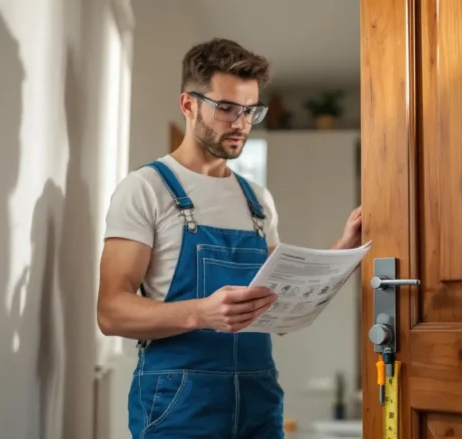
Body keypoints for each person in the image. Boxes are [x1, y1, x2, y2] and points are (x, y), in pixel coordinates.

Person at [97, 38, 362, 439]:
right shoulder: (145, 188)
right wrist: (203, 313)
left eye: (250, 110)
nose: (241, 123)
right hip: (179, 404)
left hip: (260, 400)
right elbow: (111, 311)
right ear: (188, 104)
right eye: (226, 108)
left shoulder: (258, 200)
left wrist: (340, 254)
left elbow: (279, 306)